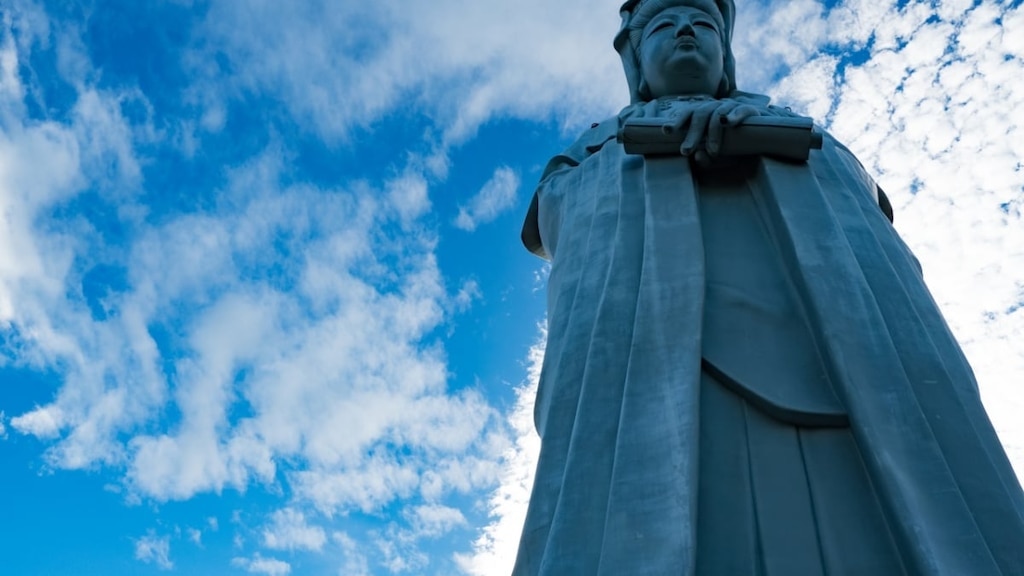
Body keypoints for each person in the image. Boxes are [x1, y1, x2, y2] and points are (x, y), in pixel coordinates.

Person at [513, 0, 1024, 574]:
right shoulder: (599, 146)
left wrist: (754, 142)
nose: (686, 30)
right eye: (664, 24)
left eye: (703, 24)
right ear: (636, 61)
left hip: (831, 361)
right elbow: (550, 214)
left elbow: (869, 201)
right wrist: (654, 152)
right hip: (659, 361)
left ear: (724, 55)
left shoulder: (795, 132)